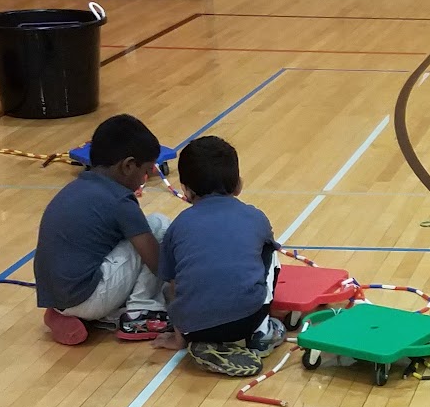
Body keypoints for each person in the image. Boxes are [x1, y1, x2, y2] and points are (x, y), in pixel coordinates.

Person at [34, 114, 170, 345]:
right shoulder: (120, 200)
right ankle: (140, 312)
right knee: (158, 225)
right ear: (128, 166)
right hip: (88, 298)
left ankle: (70, 315)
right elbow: (157, 263)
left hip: (56, 297)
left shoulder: (76, 187)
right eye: (145, 171)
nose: (144, 179)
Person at [154, 135, 281, 379]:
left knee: (173, 280)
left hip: (193, 328)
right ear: (238, 185)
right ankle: (261, 332)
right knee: (269, 252)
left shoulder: (177, 226)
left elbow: (173, 286)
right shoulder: (255, 217)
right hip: (246, 321)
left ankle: (202, 341)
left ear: (185, 190)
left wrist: (179, 338)